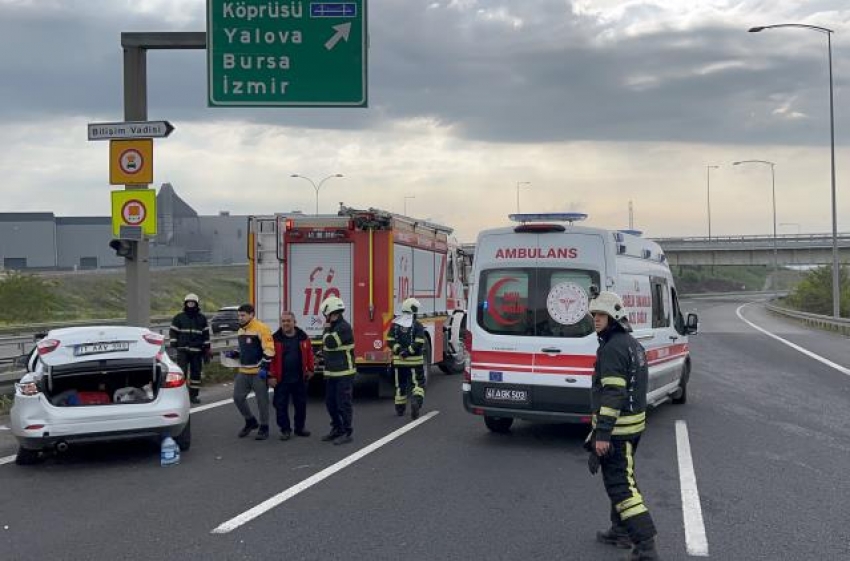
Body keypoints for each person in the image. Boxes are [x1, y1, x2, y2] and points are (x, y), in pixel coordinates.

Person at [587, 291, 658, 560]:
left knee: (621, 487)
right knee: (624, 479)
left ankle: (646, 545)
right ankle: (620, 531)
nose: (596, 320)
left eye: (601, 315)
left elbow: (614, 393)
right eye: (594, 315)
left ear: (614, 317)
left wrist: (602, 433)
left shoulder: (613, 348)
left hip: (618, 432)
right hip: (632, 427)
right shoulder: (631, 343)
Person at [227, 303, 275, 440]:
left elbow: (269, 349)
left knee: (262, 401)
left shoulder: (262, 328)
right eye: (239, 316)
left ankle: (264, 427)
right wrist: (235, 353)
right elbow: (243, 348)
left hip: (258, 372)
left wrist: (265, 368)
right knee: (237, 398)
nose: (240, 318)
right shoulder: (241, 330)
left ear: (252, 315)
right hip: (243, 371)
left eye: (243, 315)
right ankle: (250, 421)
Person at [269, 311, 315, 440]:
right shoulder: (275, 339)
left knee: (301, 405)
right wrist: (270, 376)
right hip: (281, 379)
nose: (286, 323)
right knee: (280, 406)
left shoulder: (303, 337)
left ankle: (300, 428)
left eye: (288, 321)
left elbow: (310, 354)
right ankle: (285, 430)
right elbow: (270, 359)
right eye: (283, 321)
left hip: (300, 377)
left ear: (294, 322)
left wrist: (311, 369)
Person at [319, 296, 356, 445]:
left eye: (326, 314)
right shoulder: (334, 326)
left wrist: (326, 330)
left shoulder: (343, 327)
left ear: (330, 311)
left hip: (344, 373)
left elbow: (330, 342)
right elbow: (326, 346)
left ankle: (347, 432)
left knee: (343, 403)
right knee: (330, 403)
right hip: (332, 373)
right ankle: (336, 428)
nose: (325, 317)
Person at [387, 297, 427, 420]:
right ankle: (415, 401)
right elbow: (419, 341)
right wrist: (408, 351)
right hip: (415, 362)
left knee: (400, 385)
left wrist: (399, 350)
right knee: (418, 384)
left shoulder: (395, 324)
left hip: (399, 362)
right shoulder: (417, 325)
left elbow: (390, 340)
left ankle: (400, 408)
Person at [168, 293, 211, 404]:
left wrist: (207, 350)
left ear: (196, 304)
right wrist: (174, 344)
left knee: (196, 374)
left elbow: (206, 335)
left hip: (197, 352)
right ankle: (181, 396)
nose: (191, 305)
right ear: (185, 303)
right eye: (189, 303)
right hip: (183, 351)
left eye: (193, 303)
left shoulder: (202, 318)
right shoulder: (179, 317)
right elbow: (173, 332)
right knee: (182, 373)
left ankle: (193, 396)